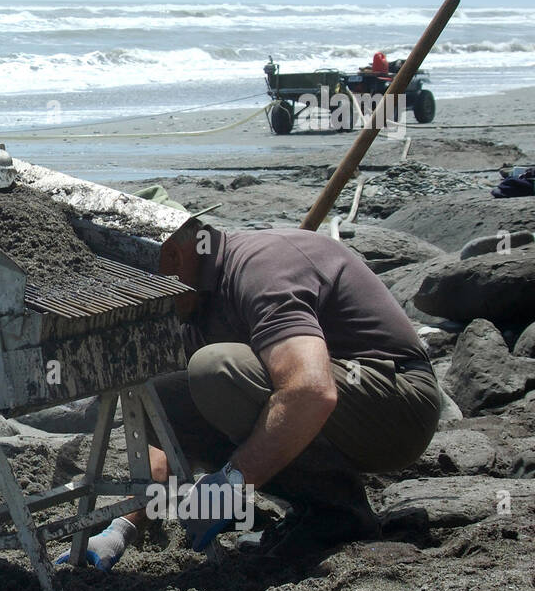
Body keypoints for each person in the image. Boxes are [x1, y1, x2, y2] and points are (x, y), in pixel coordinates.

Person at [72, 218, 441, 568]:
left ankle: (339, 515)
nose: (139, 301)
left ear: (173, 255)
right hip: (342, 406)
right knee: (163, 394)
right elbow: (166, 441)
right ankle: (312, 508)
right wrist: (122, 528)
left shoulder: (260, 268)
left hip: (396, 403)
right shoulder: (195, 301)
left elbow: (311, 391)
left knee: (216, 370)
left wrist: (229, 484)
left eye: (142, 285)